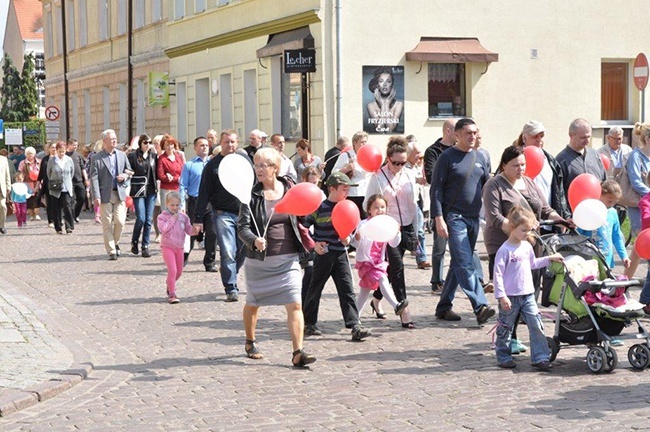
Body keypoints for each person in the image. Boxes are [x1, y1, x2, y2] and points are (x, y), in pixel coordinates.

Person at [237, 147, 316, 367]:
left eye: (264, 165)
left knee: (295, 304)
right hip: (259, 261)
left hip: (288, 258)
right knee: (253, 303)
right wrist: (253, 239)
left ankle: (297, 352)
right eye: (256, 164)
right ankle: (250, 341)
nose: (259, 169)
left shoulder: (290, 188)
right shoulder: (250, 194)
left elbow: (305, 212)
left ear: (275, 168)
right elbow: (241, 227)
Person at [482, 145, 564, 353]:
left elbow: (544, 208)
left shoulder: (529, 182)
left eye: (523, 165)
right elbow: (494, 218)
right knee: (510, 291)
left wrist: (559, 218)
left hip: (530, 244)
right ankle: (509, 337)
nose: (520, 169)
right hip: (504, 244)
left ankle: (523, 331)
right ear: (504, 165)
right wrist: (520, 231)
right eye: (515, 165)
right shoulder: (494, 185)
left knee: (528, 289)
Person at [431, 118, 494, 325]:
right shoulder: (447, 157)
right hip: (453, 217)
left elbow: (488, 187)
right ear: (456, 135)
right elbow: (436, 190)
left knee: (458, 262)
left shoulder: (482, 156)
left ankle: (444, 306)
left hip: (473, 218)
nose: (472, 137)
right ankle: (480, 305)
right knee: (465, 260)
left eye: (475, 133)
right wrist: (438, 217)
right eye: (468, 133)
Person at [301, 172, 371, 341]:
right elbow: (304, 229)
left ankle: (355, 324)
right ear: (332, 189)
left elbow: (353, 233)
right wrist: (314, 244)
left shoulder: (349, 207)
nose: (347, 193)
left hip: (340, 253)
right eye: (344, 189)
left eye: (348, 190)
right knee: (315, 288)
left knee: (346, 289)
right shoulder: (319, 207)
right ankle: (309, 323)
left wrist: (349, 239)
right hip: (323, 254)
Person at [493, 206, 563, 370]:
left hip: (528, 295)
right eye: (523, 230)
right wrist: (501, 296)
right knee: (505, 327)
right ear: (512, 227)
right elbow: (497, 275)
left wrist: (549, 258)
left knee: (536, 324)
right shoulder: (504, 250)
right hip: (510, 296)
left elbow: (533, 264)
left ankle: (540, 356)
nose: (527, 234)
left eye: (529, 230)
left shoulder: (526, 247)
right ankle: (503, 355)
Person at [364, 136, 416, 328]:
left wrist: (416, 230)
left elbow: (414, 204)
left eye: (403, 162)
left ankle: (377, 299)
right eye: (396, 163)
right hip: (386, 231)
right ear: (388, 158)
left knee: (389, 270)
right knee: (398, 268)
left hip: (407, 226)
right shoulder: (378, 177)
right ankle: (404, 311)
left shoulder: (409, 174)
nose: (399, 166)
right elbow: (366, 204)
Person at [193, 129, 247, 302]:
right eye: (226, 142)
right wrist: (198, 218)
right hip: (222, 214)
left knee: (242, 251)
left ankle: (229, 270)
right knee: (228, 251)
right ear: (220, 144)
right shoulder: (213, 165)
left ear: (237, 143)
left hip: (243, 214)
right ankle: (231, 287)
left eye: (232, 142)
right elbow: (204, 193)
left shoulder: (244, 162)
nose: (230, 145)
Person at [352, 194, 409, 321]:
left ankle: (354, 317)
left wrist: (397, 233)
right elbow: (356, 243)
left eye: (382, 207)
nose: (380, 210)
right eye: (376, 207)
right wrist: (357, 237)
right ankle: (396, 305)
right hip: (366, 262)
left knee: (364, 291)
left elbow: (393, 243)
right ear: (369, 210)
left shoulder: (386, 224)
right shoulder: (363, 224)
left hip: (378, 261)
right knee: (382, 279)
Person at [424, 118, 457, 292]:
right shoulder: (433, 151)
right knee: (439, 246)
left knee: (465, 246)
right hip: (441, 202)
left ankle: (476, 279)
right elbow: (430, 176)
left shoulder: (462, 151)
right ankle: (437, 280)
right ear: (448, 131)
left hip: (459, 204)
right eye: (456, 130)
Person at [89, 129, 133, 260]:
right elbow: (94, 178)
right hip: (104, 194)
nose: (114, 141)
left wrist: (124, 176)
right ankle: (112, 250)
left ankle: (116, 242)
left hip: (119, 193)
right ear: (105, 141)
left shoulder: (121, 155)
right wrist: (96, 195)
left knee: (120, 222)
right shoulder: (97, 158)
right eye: (112, 139)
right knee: (107, 223)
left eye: (115, 138)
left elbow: (130, 170)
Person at [515, 120, 571, 221]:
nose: (539, 139)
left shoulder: (550, 160)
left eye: (541, 136)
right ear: (524, 138)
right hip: (523, 221)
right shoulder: (514, 158)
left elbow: (560, 191)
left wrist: (564, 216)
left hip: (548, 220)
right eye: (535, 136)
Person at [180, 136, 217, 271]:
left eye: (207, 145)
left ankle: (210, 262)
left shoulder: (213, 164)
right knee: (192, 232)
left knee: (212, 232)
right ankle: (184, 256)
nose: (205, 147)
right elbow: (183, 185)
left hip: (211, 203)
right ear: (195, 148)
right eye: (201, 145)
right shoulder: (189, 165)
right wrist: (181, 204)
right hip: (194, 201)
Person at [577, 180, 630, 270]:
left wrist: (624, 256)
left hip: (606, 259)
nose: (612, 205)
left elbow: (616, 236)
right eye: (609, 201)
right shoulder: (589, 211)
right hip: (589, 258)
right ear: (600, 194)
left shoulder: (612, 212)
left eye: (615, 202)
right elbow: (578, 234)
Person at [623, 122, 650, 279]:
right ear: (647, 139)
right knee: (641, 244)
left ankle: (626, 281)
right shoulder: (636, 156)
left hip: (647, 202)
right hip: (639, 206)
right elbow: (636, 182)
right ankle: (625, 282)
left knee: (641, 247)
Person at [157, 192, 194, 304]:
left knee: (179, 272)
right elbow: (163, 229)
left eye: (177, 205)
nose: (175, 207)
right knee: (172, 270)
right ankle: (172, 294)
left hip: (179, 247)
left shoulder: (184, 217)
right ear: (167, 204)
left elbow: (188, 230)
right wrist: (173, 218)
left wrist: (195, 230)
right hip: (167, 247)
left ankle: (169, 283)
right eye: (172, 205)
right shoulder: (162, 217)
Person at [555, 118, 606, 198]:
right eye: (583, 137)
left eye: (589, 137)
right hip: (573, 209)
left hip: (596, 207)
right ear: (571, 135)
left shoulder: (595, 155)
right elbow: (558, 192)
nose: (587, 141)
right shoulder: (561, 160)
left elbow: (604, 180)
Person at [127, 134, 158, 258]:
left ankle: (145, 245)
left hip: (151, 190)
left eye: (149, 142)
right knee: (141, 218)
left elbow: (157, 172)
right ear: (140, 143)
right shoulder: (133, 156)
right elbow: (127, 169)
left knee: (149, 219)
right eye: (145, 142)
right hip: (138, 190)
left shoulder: (153, 156)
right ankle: (134, 241)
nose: (148, 145)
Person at [332, 131, 371, 219]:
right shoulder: (346, 156)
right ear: (355, 143)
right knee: (352, 218)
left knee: (365, 219)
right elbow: (334, 173)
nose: (364, 144)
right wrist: (346, 169)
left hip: (366, 192)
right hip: (352, 193)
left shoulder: (368, 155)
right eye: (362, 142)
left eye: (365, 142)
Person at [405, 139, 430, 269]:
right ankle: (421, 257)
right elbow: (405, 179)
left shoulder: (418, 165)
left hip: (419, 200)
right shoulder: (403, 166)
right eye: (416, 153)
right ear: (408, 153)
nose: (419, 156)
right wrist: (417, 180)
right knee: (418, 230)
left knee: (419, 230)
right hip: (409, 202)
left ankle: (421, 257)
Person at [47, 141, 75, 234]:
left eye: (63, 151)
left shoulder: (69, 160)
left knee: (68, 206)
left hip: (66, 187)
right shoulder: (52, 161)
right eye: (60, 151)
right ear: (56, 151)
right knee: (56, 208)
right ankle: (58, 227)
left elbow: (72, 172)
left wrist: (67, 181)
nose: (61, 154)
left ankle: (69, 226)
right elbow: (49, 173)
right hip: (56, 188)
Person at [366, 66, 403, 133]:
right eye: (381, 81)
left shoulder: (399, 104)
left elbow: (390, 130)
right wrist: (383, 105)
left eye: (388, 81)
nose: (385, 84)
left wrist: (387, 103)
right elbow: (380, 129)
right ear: (377, 84)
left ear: (392, 84)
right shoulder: (370, 105)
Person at [157, 134, 184, 211]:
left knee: (178, 212)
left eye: (171, 144)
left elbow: (182, 170)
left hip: (178, 188)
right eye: (167, 145)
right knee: (167, 212)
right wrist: (171, 178)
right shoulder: (162, 158)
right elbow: (160, 175)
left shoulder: (178, 156)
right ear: (163, 146)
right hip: (167, 190)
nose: (170, 147)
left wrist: (177, 178)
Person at [65, 139, 89, 223]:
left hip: (79, 180)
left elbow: (83, 168)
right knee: (70, 200)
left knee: (82, 198)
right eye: (74, 145)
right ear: (69, 145)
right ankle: (70, 217)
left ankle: (75, 214)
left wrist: (86, 179)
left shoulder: (78, 156)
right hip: (69, 181)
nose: (76, 147)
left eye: (76, 145)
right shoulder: (64, 155)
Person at [17, 146, 41, 222]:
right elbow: (20, 172)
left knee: (37, 199)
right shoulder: (22, 163)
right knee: (29, 200)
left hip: (37, 183)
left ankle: (37, 214)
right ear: (25, 154)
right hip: (27, 183)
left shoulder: (39, 162)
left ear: (34, 154)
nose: (30, 155)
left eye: (31, 153)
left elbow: (41, 172)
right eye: (28, 154)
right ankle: (31, 215)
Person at [37, 142, 58, 227]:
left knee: (57, 202)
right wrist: (38, 183)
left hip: (58, 183)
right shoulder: (45, 159)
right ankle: (51, 221)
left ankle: (58, 219)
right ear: (49, 149)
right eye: (52, 147)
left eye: (56, 147)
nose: (54, 149)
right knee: (49, 202)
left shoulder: (60, 158)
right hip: (47, 183)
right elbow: (41, 172)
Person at [0, 152, 10, 234]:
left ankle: (1, 225)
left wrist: (8, 186)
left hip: (1, 188)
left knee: (3, 206)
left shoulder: (3, 159)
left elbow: (7, 174)